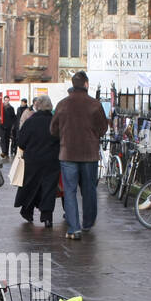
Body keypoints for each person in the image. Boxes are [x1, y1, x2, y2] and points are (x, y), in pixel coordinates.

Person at [49, 70, 108, 240]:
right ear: (86, 84)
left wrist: (65, 135)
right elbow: (103, 128)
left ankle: (74, 227)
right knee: (89, 189)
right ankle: (88, 222)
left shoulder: (62, 104)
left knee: (70, 191)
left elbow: (53, 129)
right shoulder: (94, 104)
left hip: (68, 153)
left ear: (73, 84)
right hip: (89, 154)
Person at [13, 94, 59, 227]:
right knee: (49, 188)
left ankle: (27, 211)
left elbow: (21, 142)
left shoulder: (30, 122)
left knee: (31, 185)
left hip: (32, 160)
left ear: (37, 106)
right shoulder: (55, 122)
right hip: (52, 161)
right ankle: (47, 216)